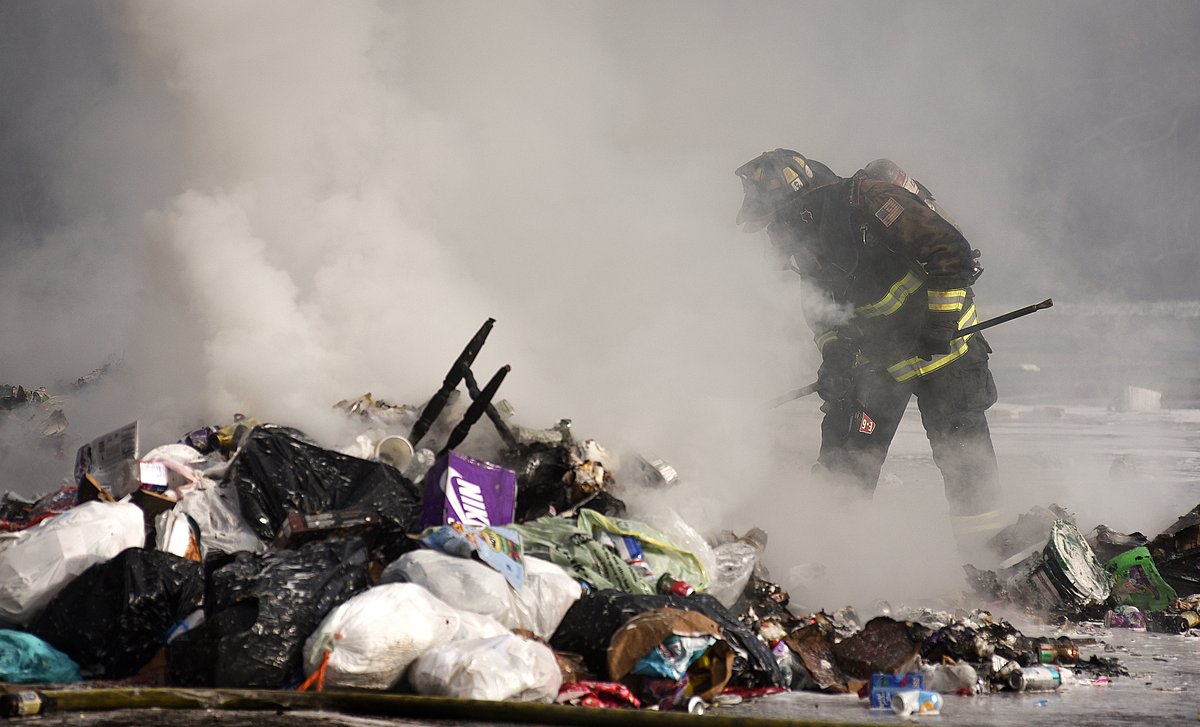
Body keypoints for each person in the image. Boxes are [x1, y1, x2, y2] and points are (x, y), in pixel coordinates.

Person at [735, 148, 1003, 563]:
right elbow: (821, 313)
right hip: (881, 367)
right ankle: (824, 565)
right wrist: (836, 355)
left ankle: (989, 566)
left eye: (779, 220)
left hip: (948, 353)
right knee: (844, 463)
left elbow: (950, 251)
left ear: (804, 208)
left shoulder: (872, 201)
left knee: (966, 464)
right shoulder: (809, 249)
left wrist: (940, 324)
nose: (778, 234)